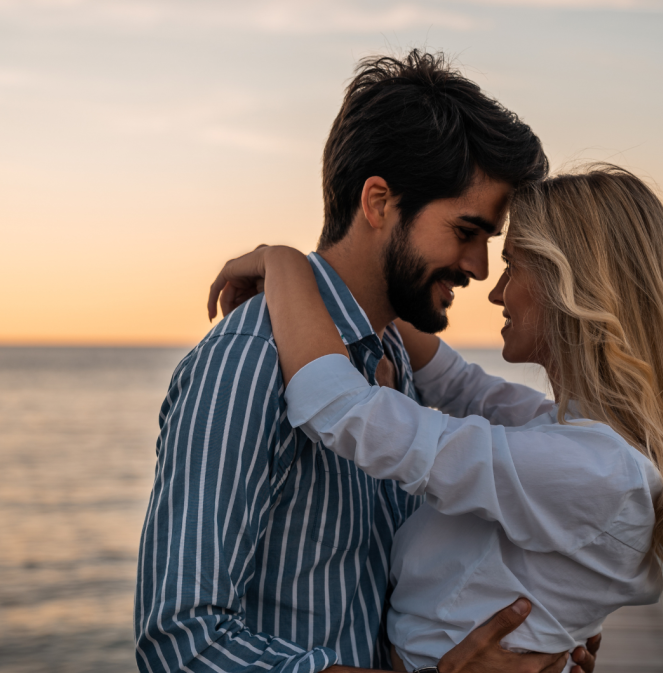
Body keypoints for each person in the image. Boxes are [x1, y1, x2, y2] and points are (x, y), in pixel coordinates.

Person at [135, 50, 599, 673]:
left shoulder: (391, 358)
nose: (478, 268)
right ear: (379, 203)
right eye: (466, 231)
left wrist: (527, 640)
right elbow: (181, 644)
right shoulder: (248, 362)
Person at [207, 165, 663, 671]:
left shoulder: (589, 469)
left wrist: (284, 264)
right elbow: (459, 384)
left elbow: (343, 411)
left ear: (572, 286)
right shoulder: (586, 440)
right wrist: (344, 288)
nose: (493, 289)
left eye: (514, 266)